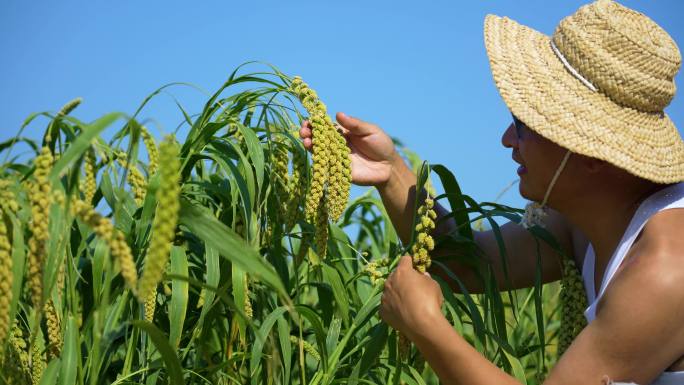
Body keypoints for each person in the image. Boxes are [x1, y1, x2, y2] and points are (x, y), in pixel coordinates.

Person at [299, 0, 684, 383]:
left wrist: (426, 327)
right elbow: (467, 264)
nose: (506, 140)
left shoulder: (664, 271)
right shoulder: (585, 221)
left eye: (523, 124)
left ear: (589, 152)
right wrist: (392, 173)